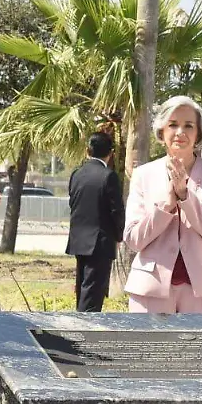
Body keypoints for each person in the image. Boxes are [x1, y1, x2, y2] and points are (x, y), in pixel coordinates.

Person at [123, 95, 202, 313]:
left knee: (201, 348)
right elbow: (133, 239)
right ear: (161, 132)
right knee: (151, 348)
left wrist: (185, 196)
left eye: (189, 126)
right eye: (173, 124)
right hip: (151, 286)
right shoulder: (143, 175)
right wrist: (166, 205)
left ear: (198, 134)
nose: (180, 132)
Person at [65, 132, 125, 312]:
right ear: (111, 153)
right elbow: (117, 211)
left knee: (83, 290)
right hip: (100, 242)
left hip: (78, 241)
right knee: (92, 296)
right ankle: (83, 334)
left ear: (87, 151)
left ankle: (78, 328)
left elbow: (73, 202)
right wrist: (119, 235)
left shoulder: (76, 174)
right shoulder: (109, 176)